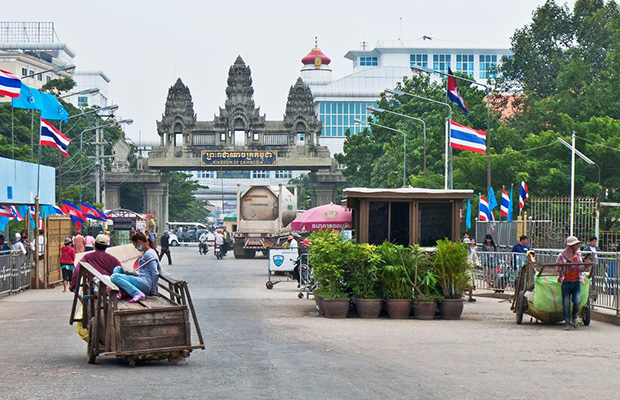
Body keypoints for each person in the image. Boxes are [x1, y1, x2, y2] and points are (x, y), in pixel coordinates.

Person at [111, 231, 161, 303]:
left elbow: (155, 273)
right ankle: (119, 292)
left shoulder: (150, 254)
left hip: (145, 284)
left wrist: (153, 291)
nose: (136, 248)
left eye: (136, 246)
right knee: (118, 269)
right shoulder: (147, 253)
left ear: (139, 242)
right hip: (141, 279)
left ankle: (137, 293)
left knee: (114, 277)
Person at [556, 236, 591, 330]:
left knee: (577, 302)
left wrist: (586, 266)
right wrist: (559, 266)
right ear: (571, 246)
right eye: (576, 244)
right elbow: (558, 269)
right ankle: (567, 323)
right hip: (566, 283)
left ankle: (574, 316)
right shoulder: (561, 256)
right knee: (566, 304)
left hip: (576, 282)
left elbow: (580, 268)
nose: (578, 246)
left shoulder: (578, 255)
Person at [464, 238, 478, 302]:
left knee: (470, 284)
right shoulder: (461, 251)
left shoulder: (472, 251)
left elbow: (475, 258)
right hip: (463, 268)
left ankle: (470, 297)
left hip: (469, 268)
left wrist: (476, 264)